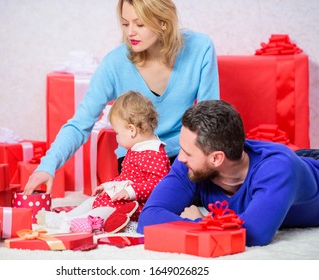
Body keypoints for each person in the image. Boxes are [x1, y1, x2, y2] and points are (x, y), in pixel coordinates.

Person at [23, 0, 219, 195]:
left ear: (163, 23)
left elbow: (210, 117)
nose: (130, 32)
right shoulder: (114, 63)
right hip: (137, 164)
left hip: (184, 157)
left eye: (139, 24)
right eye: (125, 24)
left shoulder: (200, 48)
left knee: (199, 198)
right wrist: (46, 166)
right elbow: (79, 124)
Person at [137, 100, 319, 247]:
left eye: (188, 153)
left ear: (216, 158)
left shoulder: (278, 169)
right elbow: (148, 219)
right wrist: (204, 226)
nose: (181, 158)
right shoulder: (189, 163)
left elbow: (256, 233)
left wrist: (205, 221)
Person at [36, 91, 171, 233]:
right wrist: (109, 185)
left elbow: (158, 184)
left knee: (104, 211)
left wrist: (131, 191)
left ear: (131, 130)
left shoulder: (153, 153)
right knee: (92, 201)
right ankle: (64, 218)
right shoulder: (136, 149)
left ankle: (75, 223)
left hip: (137, 204)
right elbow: (127, 177)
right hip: (122, 199)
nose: (117, 138)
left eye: (118, 133)